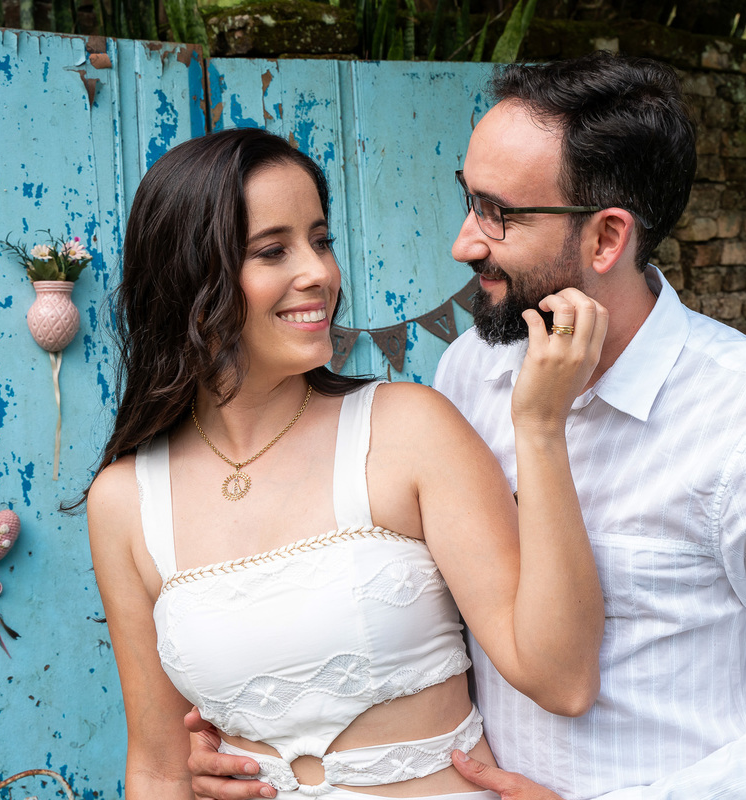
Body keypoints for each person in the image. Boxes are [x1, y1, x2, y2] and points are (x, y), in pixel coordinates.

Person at [188, 53, 746, 799]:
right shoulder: (470, 371)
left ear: (606, 239)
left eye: (498, 213)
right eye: (468, 200)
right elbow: (426, 623)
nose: (464, 243)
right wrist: (257, 735)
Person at [85, 127, 609, 799]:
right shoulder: (124, 502)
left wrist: (540, 428)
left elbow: (562, 679)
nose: (320, 273)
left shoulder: (407, 428)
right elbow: (159, 767)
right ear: (187, 277)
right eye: (273, 250)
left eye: (321, 240)